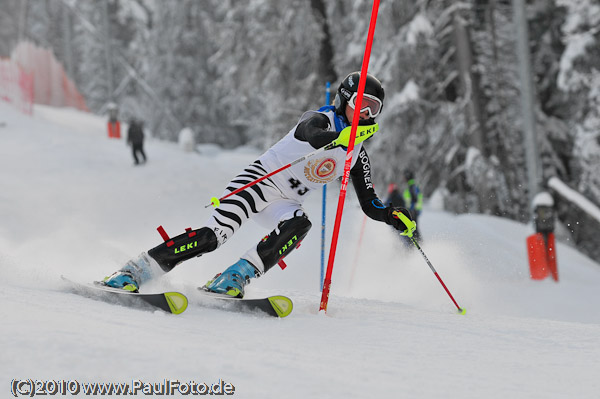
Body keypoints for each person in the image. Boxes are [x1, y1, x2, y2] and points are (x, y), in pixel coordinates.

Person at [102, 72, 416, 297]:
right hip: (257, 182)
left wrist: (392, 216)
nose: (364, 113)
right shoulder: (322, 119)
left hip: (286, 201)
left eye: (372, 108)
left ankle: (234, 276)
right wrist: (338, 137)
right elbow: (312, 134)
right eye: (360, 103)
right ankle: (134, 270)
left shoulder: (357, 154)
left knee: (300, 224)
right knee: (214, 236)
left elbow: (369, 201)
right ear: (343, 100)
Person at [402, 170, 423, 241]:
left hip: (413, 211)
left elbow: (415, 199)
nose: (403, 178)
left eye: (404, 176)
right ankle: (417, 244)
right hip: (414, 210)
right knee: (414, 228)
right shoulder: (412, 185)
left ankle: (415, 245)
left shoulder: (412, 186)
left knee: (413, 229)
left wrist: (411, 209)